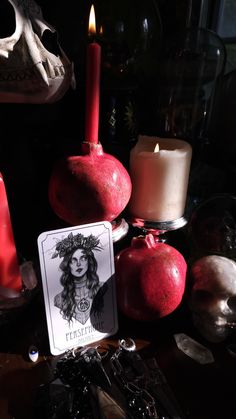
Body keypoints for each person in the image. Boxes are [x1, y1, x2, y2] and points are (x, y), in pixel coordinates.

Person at [53, 232, 107, 325]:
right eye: (73, 260)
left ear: (89, 261)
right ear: (67, 265)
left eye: (83, 258)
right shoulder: (59, 299)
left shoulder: (102, 287)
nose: (78, 264)